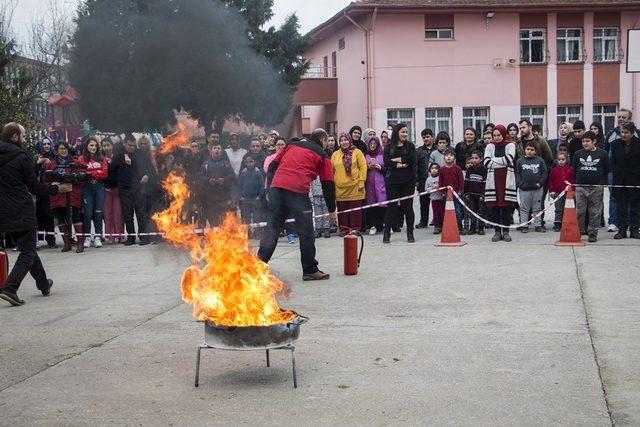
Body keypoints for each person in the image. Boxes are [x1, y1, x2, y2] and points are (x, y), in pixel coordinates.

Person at [0, 123, 71, 306]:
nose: (24, 139)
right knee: (27, 252)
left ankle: (43, 284)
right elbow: (35, 187)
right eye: (23, 136)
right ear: (15, 137)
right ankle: (10, 288)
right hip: (21, 209)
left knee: (28, 247)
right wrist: (57, 188)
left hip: (3, 211)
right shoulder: (21, 157)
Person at [258, 128, 337, 281]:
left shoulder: (291, 146)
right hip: (297, 192)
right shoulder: (323, 154)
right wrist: (332, 210)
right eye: (327, 142)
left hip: (277, 190)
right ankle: (310, 270)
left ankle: (257, 267)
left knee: (272, 230)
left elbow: (272, 166)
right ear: (324, 140)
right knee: (306, 232)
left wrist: (270, 190)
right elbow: (328, 184)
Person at [604, 109, 640, 233]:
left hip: (635, 179)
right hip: (619, 179)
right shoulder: (615, 143)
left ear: (632, 132)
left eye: (626, 132)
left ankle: (634, 230)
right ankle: (622, 230)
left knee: (635, 206)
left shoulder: (638, 143)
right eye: (622, 132)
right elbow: (611, 161)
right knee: (621, 206)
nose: (623, 135)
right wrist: (616, 172)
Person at [108, 134, 148, 246]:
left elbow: (148, 168)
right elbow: (112, 171)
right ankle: (131, 238)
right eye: (129, 145)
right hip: (124, 189)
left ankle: (143, 236)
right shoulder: (118, 156)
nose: (131, 147)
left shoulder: (139, 155)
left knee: (141, 214)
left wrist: (146, 175)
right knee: (128, 215)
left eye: (133, 145)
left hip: (139, 188)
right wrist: (116, 184)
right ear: (124, 144)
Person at [47, 141, 85, 252]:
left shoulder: (75, 162)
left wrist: (73, 177)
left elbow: (82, 176)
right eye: (61, 148)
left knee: (75, 217)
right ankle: (67, 243)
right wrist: (53, 184)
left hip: (72, 195)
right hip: (57, 196)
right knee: (61, 219)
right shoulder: (52, 164)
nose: (63, 151)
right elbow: (46, 179)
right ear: (57, 150)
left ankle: (80, 243)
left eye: (65, 148)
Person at [382, 123, 416, 243]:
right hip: (392, 181)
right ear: (397, 133)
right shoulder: (389, 146)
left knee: (408, 208)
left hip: (408, 181)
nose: (405, 134)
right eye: (403, 132)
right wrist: (399, 164)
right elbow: (386, 162)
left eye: (406, 132)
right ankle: (386, 234)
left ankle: (410, 234)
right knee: (391, 208)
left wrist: (395, 159)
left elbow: (411, 160)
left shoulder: (410, 146)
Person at [573, 131, 609, 242]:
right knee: (580, 211)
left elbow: (606, 169)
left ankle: (593, 233)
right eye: (583, 141)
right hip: (581, 187)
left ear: (594, 141)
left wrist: (601, 183)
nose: (585, 143)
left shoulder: (602, 154)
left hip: (596, 187)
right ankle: (578, 231)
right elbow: (575, 169)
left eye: (587, 141)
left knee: (595, 211)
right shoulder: (578, 154)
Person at [484, 124, 517, 242]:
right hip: (493, 181)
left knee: (506, 208)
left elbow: (510, 159)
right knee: (495, 207)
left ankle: (506, 232)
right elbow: (487, 163)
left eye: (499, 135)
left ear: (504, 135)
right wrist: (501, 162)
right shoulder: (489, 146)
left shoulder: (511, 145)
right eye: (494, 135)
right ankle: (497, 232)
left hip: (507, 180)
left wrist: (494, 160)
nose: (497, 137)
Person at [332, 132, 367, 235]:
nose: (344, 142)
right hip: (340, 188)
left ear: (349, 140)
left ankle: (355, 229)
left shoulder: (357, 152)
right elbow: (331, 170)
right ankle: (343, 229)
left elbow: (363, 167)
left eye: (346, 140)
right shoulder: (335, 154)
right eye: (341, 140)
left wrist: (361, 181)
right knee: (342, 211)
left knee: (355, 211)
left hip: (356, 187)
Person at [77, 136, 109, 248]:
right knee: (88, 213)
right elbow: (81, 173)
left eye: (95, 145)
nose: (93, 147)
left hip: (99, 187)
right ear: (86, 146)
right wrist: (96, 172)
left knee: (98, 212)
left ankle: (97, 237)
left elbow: (105, 174)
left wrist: (90, 173)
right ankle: (87, 237)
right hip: (87, 188)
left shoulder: (101, 158)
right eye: (91, 145)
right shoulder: (81, 159)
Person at [200, 140, 235, 228]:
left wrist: (224, 180)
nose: (217, 150)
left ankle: (224, 237)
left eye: (219, 148)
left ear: (221, 150)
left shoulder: (226, 164)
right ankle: (214, 238)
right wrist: (208, 180)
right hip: (210, 196)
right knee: (213, 219)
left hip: (223, 195)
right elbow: (200, 177)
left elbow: (231, 175)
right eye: (215, 148)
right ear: (211, 150)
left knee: (224, 218)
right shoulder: (205, 164)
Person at [515, 142, 548, 233]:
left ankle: (538, 225)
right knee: (524, 208)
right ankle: (524, 226)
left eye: (532, 150)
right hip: (524, 189)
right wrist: (521, 184)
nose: (529, 151)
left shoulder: (540, 160)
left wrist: (540, 183)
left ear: (535, 151)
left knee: (537, 208)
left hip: (537, 188)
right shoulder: (520, 161)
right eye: (528, 149)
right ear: (525, 150)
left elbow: (544, 173)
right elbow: (517, 174)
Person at [33, 137, 57, 248]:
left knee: (49, 215)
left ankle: (51, 240)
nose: (46, 146)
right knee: (37, 215)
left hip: (50, 190)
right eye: (44, 144)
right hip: (38, 191)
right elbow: (31, 173)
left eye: (48, 143)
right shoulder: (35, 158)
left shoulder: (55, 157)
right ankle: (36, 239)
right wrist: (38, 163)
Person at [101, 138, 125, 243]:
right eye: (104, 146)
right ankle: (111, 236)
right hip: (106, 190)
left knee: (118, 213)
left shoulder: (119, 157)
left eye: (108, 145)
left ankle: (120, 235)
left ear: (112, 146)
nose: (106, 148)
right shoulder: (100, 159)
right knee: (108, 214)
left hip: (117, 190)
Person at [364, 135, 387, 235]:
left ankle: (384, 225)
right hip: (369, 185)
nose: (373, 146)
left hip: (381, 184)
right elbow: (361, 170)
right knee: (371, 205)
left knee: (383, 204)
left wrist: (380, 168)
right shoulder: (365, 155)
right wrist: (368, 167)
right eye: (371, 144)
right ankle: (373, 226)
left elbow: (388, 170)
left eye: (375, 144)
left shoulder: (383, 155)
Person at [238, 155, 265, 238]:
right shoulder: (243, 173)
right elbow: (239, 185)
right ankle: (248, 233)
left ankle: (258, 233)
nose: (249, 164)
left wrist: (259, 196)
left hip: (255, 198)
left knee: (257, 217)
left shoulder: (258, 173)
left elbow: (262, 186)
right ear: (245, 163)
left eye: (251, 161)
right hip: (245, 199)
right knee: (246, 218)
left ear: (254, 162)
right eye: (248, 162)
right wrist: (240, 196)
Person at [439, 148, 465, 231]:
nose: (449, 157)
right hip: (446, 194)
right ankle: (448, 227)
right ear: (444, 157)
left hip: (456, 193)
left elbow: (461, 180)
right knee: (447, 211)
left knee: (458, 211)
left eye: (451, 155)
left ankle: (459, 227)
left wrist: (461, 190)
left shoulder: (457, 168)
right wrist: (442, 191)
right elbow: (440, 181)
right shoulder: (442, 169)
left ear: (454, 158)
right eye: (446, 155)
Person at [547, 152, 574, 232]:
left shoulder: (570, 169)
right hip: (558, 193)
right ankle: (557, 224)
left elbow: (573, 180)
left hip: (568, 193)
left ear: (566, 160)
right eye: (559, 160)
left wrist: (573, 190)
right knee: (559, 208)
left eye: (563, 159)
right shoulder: (554, 170)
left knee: (568, 209)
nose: (561, 161)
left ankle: (567, 223)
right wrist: (551, 191)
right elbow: (551, 181)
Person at [463, 150, 487, 235]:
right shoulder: (469, 170)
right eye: (472, 158)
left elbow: (485, 183)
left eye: (476, 158)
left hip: (480, 195)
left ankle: (480, 228)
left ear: (481, 159)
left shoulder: (484, 169)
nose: (474, 160)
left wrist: (482, 195)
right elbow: (466, 182)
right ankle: (472, 228)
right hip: (471, 195)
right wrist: (466, 193)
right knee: (472, 212)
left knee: (481, 212)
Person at [416, 128, 435, 228]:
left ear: (432, 136)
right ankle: (423, 221)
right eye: (424, 137)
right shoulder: (418, 151)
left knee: (436, 202)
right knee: (423, 202)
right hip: (423, 180)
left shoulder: (437, 149)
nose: (426, 139)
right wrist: (416, 180)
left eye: (428, 137)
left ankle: (437, 220)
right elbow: (415, 166)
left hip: (436, 180)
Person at [427, 163, 444, 234]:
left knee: (442, 213)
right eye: (432, 168)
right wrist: (432, 188)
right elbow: (426, 189)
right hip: (434, 199)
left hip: (442, 199)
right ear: (430, 170)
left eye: (436, 168)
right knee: (436, 214)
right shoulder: (428, 179)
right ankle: (436, 227)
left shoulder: (441, 178)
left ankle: (443, 226)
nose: (434, 170)